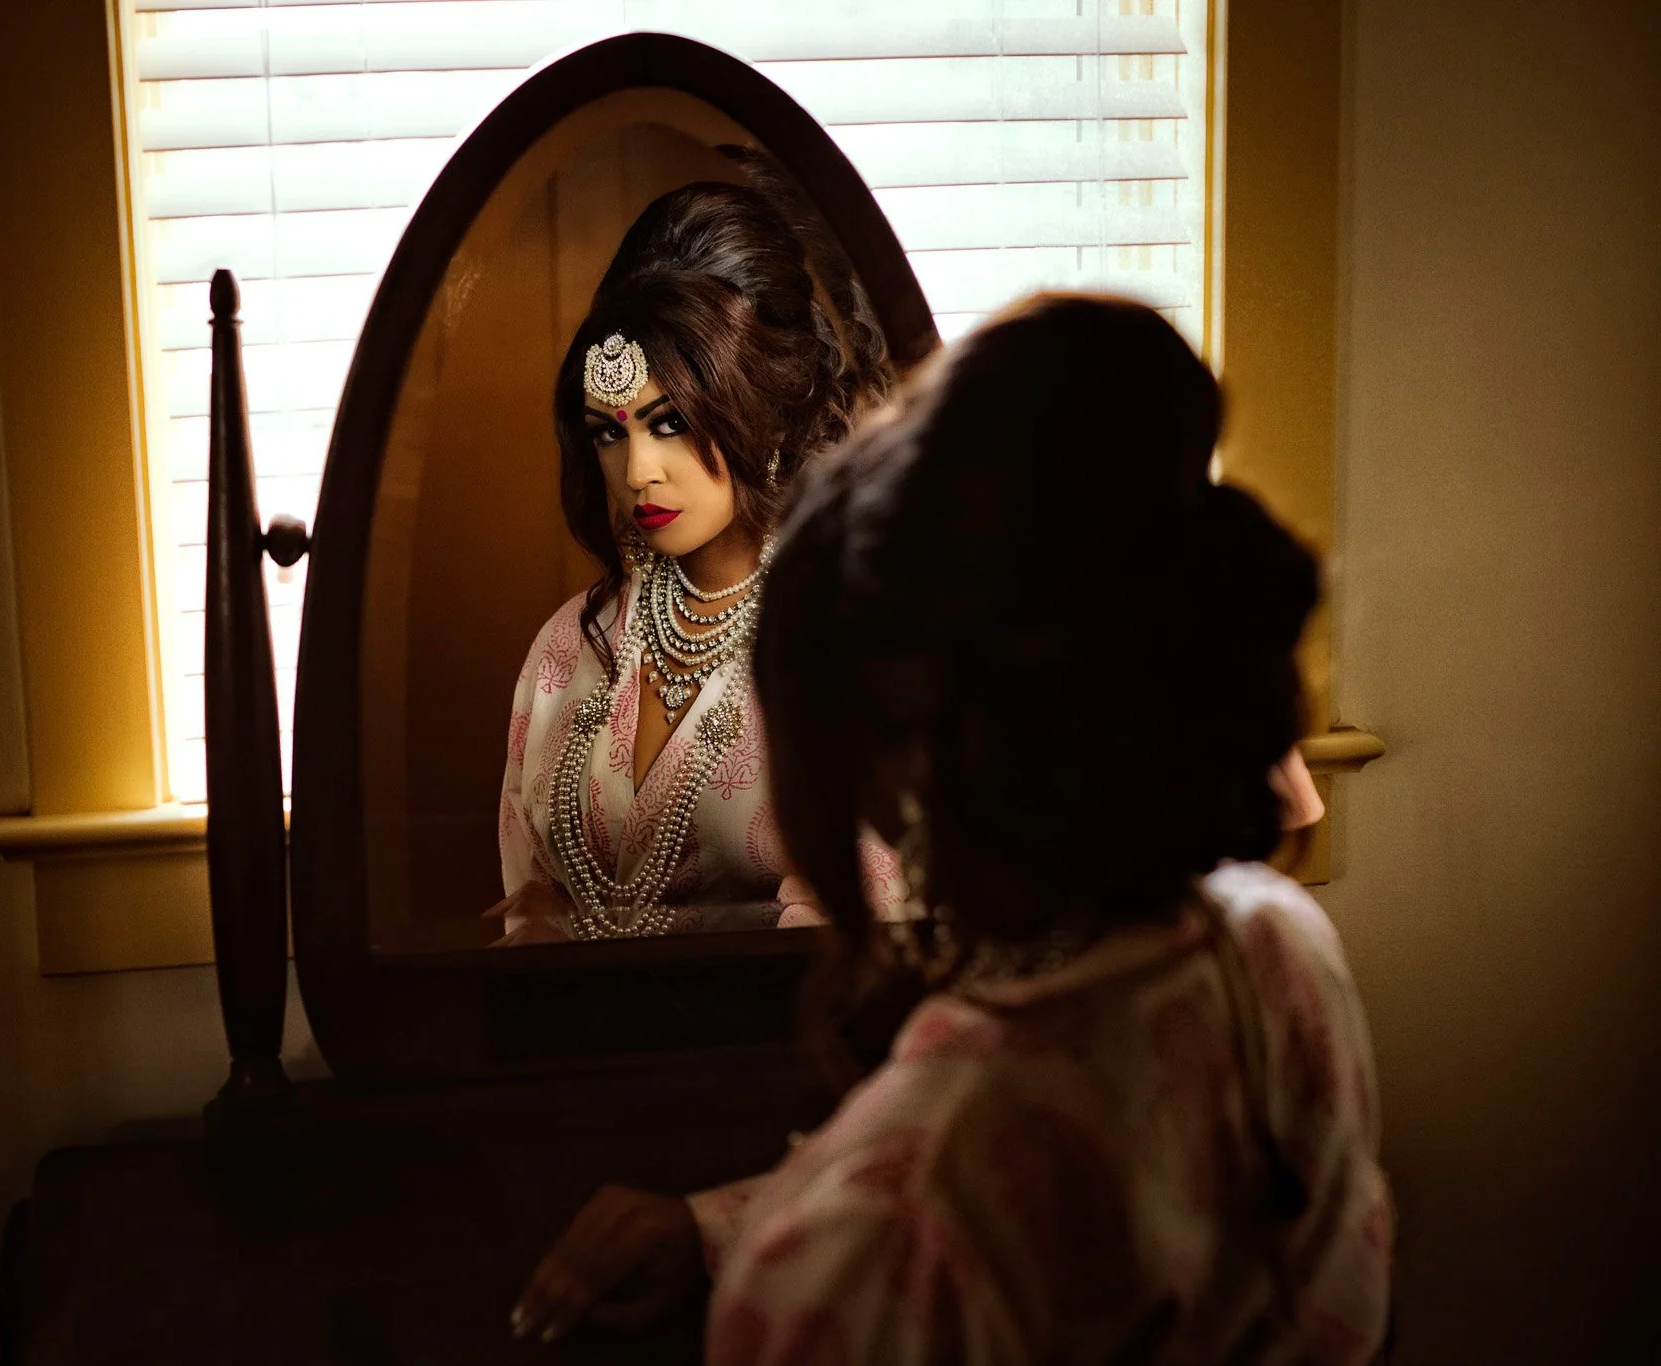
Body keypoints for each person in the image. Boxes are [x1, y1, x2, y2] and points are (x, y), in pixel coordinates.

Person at [511, 295, 1393, 1362]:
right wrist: (711, 1227)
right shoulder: (1279, 952)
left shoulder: (869, 1239)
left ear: (892, 760)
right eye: (610, 430)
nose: (640, 468)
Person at [491, 173, 902, 943]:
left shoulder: (840, 643)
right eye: (609, 431)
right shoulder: (564, 650)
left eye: (670, 421)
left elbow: (875, 926)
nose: (639, 470)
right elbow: (525, 915)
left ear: (766, 405)